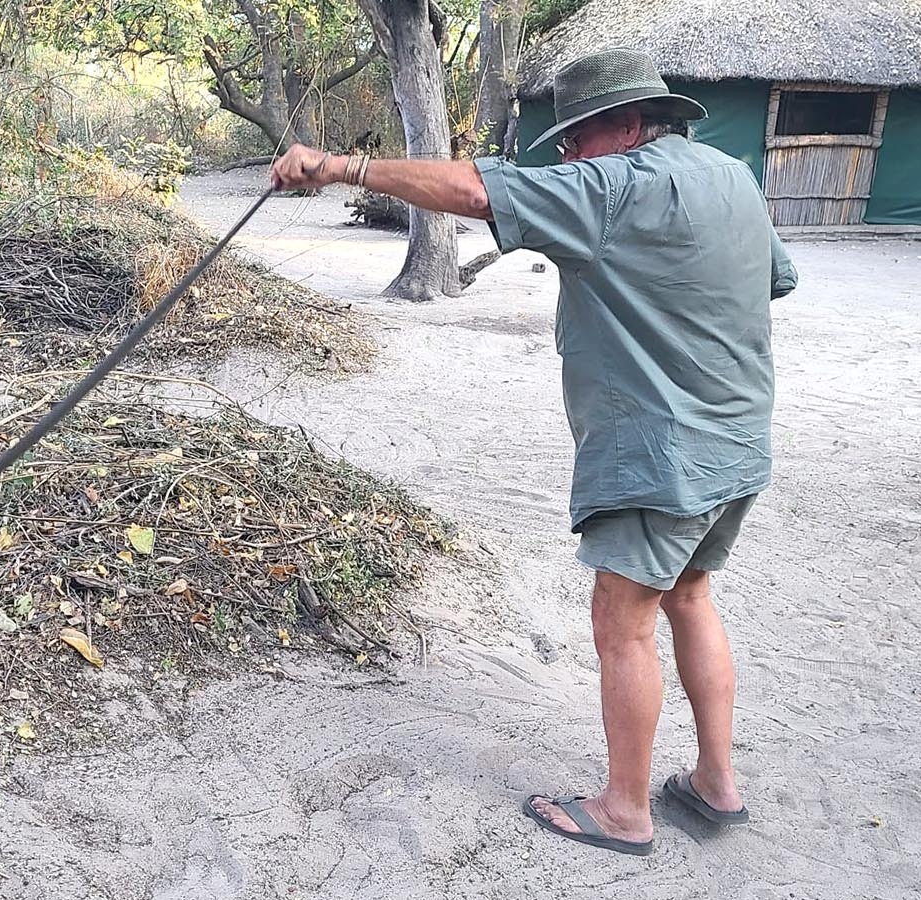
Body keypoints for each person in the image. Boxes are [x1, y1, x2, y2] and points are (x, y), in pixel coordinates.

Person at [270, 47, 798, 857]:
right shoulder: (732, 176)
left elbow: (476, 190)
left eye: (576, 139)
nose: (571, 156)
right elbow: (772, 280)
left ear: (627, 124)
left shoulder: (614, 184)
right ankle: (715, 785)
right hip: (738, 438)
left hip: (660, 454)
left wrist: (343, 167)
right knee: (690, 596)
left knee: (623, 623)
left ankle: (624, 811)